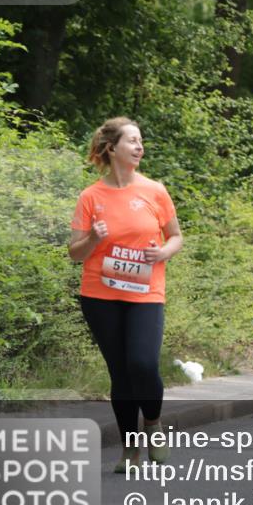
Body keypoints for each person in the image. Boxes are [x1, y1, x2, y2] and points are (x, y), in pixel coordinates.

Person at [69, 117, 183, 472]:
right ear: (112, 148)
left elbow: (176, 236)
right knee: (120, 372)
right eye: (132, 141)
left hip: (146, 292)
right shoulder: (90, 196)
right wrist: (94, 239)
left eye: (141, 141)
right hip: (99, 295)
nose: (140, 147)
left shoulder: (155, 191)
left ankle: (152, 422)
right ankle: (129, 450)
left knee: (142, 364)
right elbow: (75, 252)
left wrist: (164, 252)